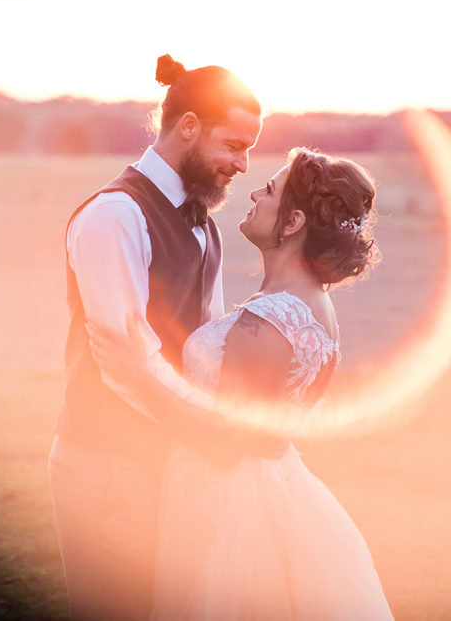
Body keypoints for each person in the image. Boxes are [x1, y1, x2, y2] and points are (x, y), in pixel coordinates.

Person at [89, 148, 394, 619]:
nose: (254, 191)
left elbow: (226, 442)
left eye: (269, 190)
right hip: (269, 486)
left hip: (228, 504)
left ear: (292, 223)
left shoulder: (271, 321)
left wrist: (138, 375)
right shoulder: (310, 306)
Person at [48, 54, 263, 620]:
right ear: (188, 126)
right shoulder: (115, 215)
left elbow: (205, 345)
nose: (244, 164)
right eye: (234, 145)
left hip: (171, 457)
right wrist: (208, 425)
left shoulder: (206, 224)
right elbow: (125, 359)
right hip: (107, 463)